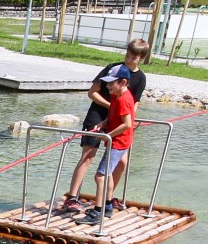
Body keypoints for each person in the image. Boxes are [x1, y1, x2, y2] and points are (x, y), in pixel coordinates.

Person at [60, 39, 150, 213]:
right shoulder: (113, 68)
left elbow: (134, 104)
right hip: (98, 114)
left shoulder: (140, 78)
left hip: (118, 118)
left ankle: (108, 197)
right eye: (127, 56)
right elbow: (92, 92)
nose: (129, 60)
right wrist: (112, 108)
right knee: (88, 155)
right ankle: (72, 197)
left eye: (133, 58)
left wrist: (126, 118)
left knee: (122, 161)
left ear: (141, 58)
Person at [81, 65, 136, 226]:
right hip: (115, 141)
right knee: (108, 174)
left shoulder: (124, 100)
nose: (108, 86)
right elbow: (114, 116)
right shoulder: (116, 95)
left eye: (111, 83)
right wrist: (103, 123)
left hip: (118, 143)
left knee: (100, 176)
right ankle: (108, 205)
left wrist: (108, 135)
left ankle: (97, 212)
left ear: (123, 82)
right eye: (107, 83)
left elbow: (127, 124)